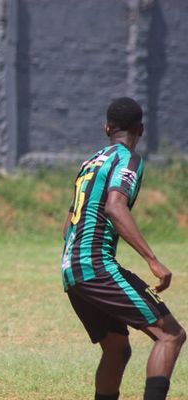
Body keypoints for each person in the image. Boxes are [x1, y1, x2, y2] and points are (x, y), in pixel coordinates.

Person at [61, 97, 186, 400]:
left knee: (117, 348)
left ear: (107, 128)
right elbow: (115, 207)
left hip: (71, 269)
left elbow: (69, 223)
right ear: (140, 129)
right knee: (170, 335)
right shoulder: (127, 159)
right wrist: (153, 260)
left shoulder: (90, 162)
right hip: (95, 267)